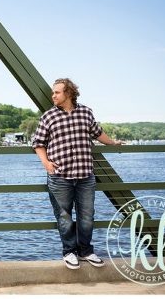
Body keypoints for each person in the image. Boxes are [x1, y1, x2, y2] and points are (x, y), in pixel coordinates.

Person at [32, 78, 123, 270]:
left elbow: (98, 133)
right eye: (53, 92)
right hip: (59, 176)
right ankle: (69, 252)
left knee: (87, 216)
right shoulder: (48, 116)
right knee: (64, 217)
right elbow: (38, 143)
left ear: (69, 93)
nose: (53, 95)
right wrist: (47, 164)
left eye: (57, 92)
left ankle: (86, 251)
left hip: (84, 176)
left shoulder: (86, 112)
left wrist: (113, 143)